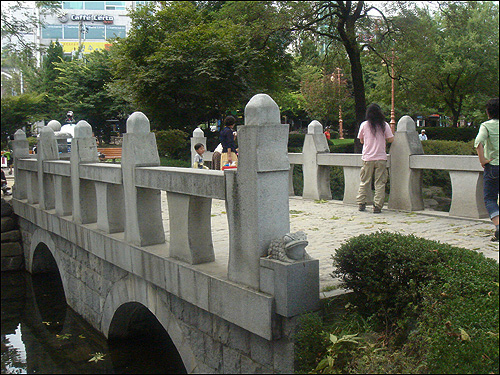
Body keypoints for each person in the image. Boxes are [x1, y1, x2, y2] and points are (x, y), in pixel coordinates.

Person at [356, 103, 394, 213]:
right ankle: (377, 206)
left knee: (365, 181)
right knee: (380, 183)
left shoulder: (364, 125)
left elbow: (361, 140)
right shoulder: (384, 125)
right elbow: (391, 139)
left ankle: (361, 203)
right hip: (381, 157)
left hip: (367, 157)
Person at [474, 97, 499, 242]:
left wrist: (482, 160)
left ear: (488, 112)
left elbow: (478, 142)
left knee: (490, 198)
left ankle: (498, 226)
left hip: (493, 167)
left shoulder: (486, 125)